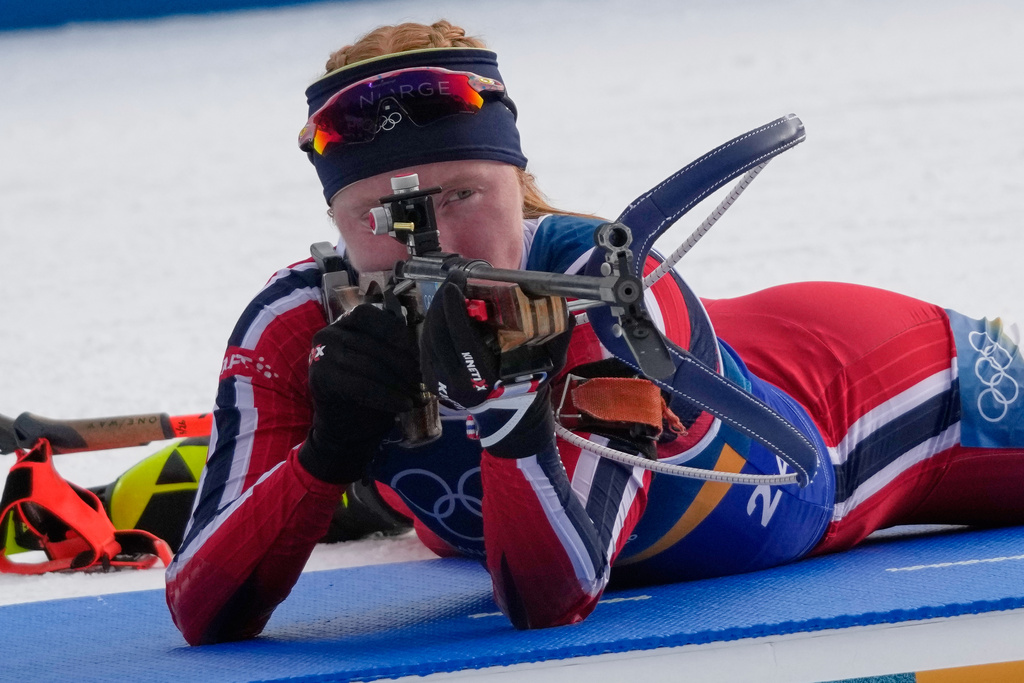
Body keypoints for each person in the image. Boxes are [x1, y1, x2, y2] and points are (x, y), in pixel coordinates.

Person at [165, 20, 1024, 645]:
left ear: (516, 184)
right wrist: (325, 451)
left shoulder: (603, 285)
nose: (434, 244)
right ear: (338, 225)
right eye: (382, 215)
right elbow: (202, 613)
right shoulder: (295, 320)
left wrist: (503, 407)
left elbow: (555, 597)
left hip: (873, 397)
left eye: (464, 195)